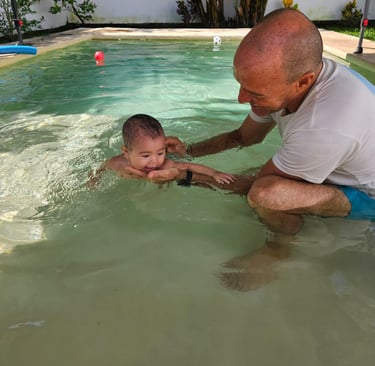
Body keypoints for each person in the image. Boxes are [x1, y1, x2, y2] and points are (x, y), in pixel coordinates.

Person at [151, 9, 375, 290]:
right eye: (242, 85)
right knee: (252, 180)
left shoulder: (326, 124)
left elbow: (258, 188)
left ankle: (279, 250)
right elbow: (243, 137)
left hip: (369, 196)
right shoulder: (286, 79)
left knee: (266, 194)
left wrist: (184, 175)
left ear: (303, 82)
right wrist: (187, 153)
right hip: (340, 163)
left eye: (254, 94)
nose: (241, 98)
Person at [88, 113, 236, 188]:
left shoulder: (165, 164)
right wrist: (94, 179)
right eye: (146, 155)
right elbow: (103, 165)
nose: (155, 161)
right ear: (126, 152)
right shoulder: (118, 163)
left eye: (160, 152)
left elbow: (189, 166)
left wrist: (215, 173)